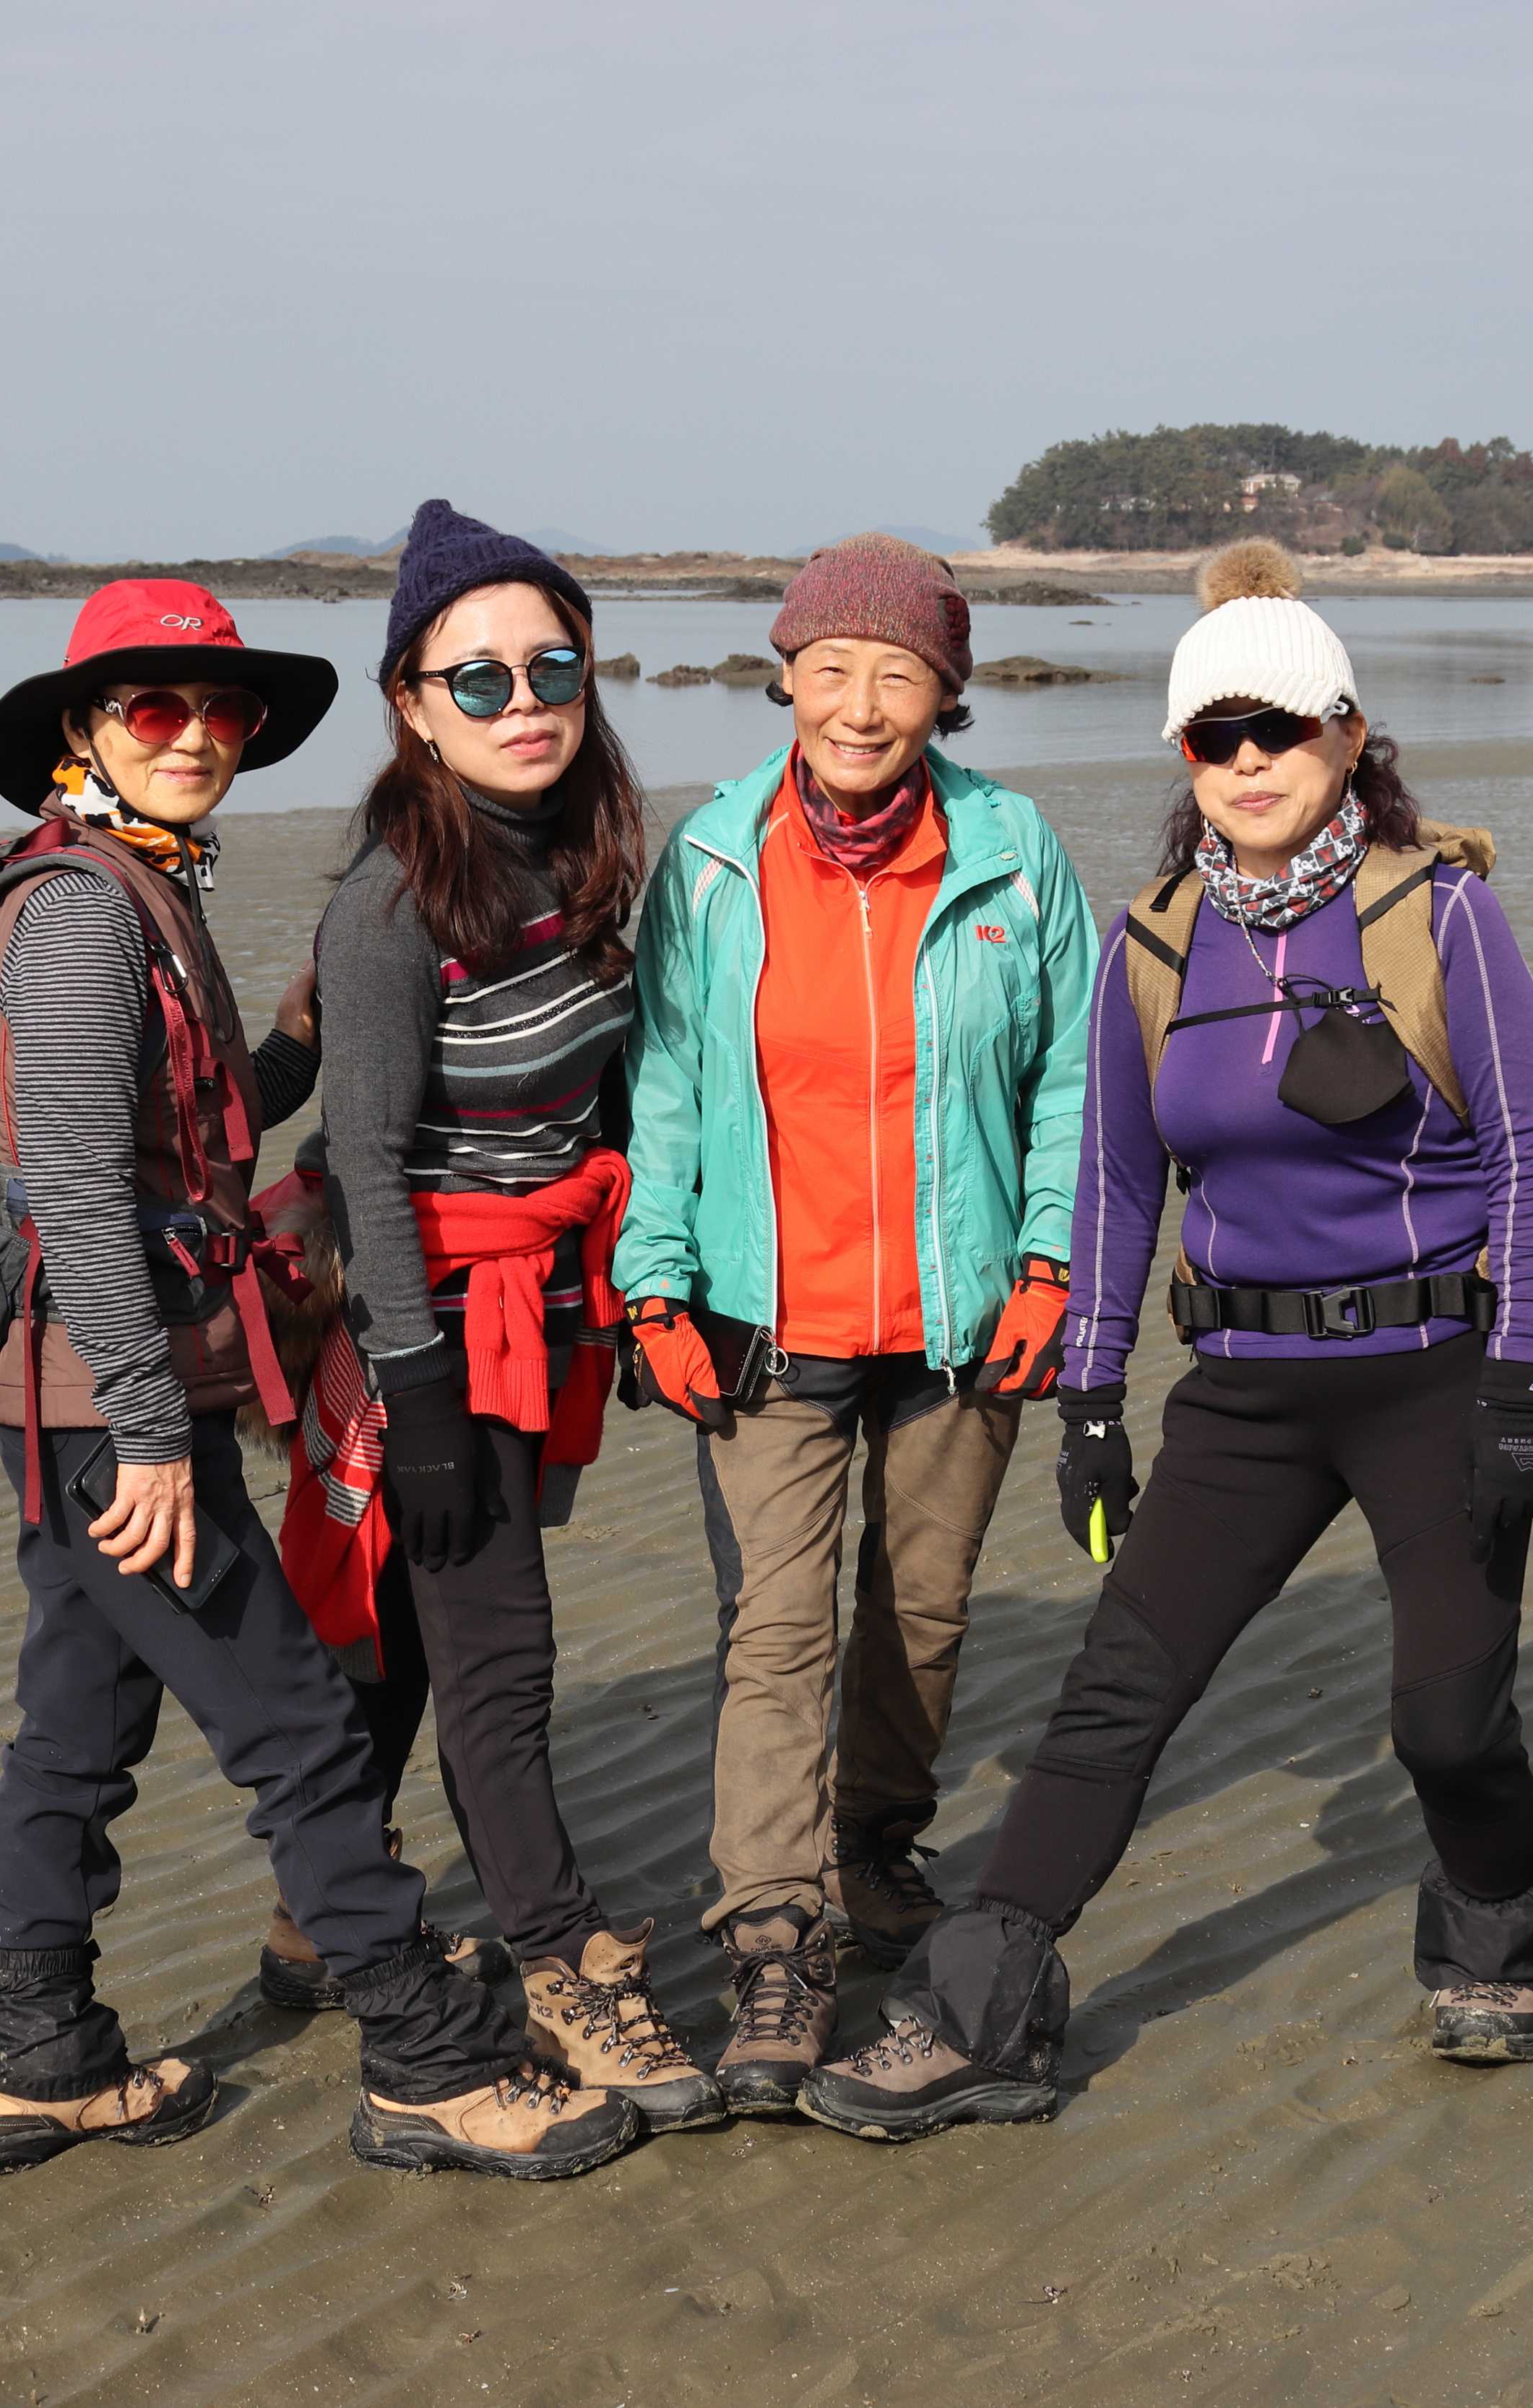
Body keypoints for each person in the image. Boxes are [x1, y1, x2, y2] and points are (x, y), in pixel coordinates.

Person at [796, 538, 1533, 2142]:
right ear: (1184, 755)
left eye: (1279, 731)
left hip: (1433, 1380)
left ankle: (1499, 1930)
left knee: (1445, 1724)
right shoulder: (1152, 942)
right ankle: (973, 2014)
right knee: (1112, 1700)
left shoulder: (1442, 913)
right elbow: (1113, 1188)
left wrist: (1521, 1385)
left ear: (1345, 737)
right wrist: (1092, 1403)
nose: (1248, 763)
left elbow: (1526, 1158)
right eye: (1216, 738)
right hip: (1244, 1399)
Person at [0, 576, 635, 2180]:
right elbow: (75, 1194)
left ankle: (35, 2054)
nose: (194, 736)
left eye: (222, 710)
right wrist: (145, 1432)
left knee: (77, 1724)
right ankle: (425, 2060)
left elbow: (187, 1130)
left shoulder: (137, 883)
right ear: (82, 729)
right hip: (108, 1403)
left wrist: (297, 1050)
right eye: (153, 707)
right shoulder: (77, 915)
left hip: (80, 1395)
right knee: (303, 1729)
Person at [616, 534, 1095, 2115]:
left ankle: (874, 1847)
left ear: (946, 693)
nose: (861, 704)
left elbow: (1072, 1082)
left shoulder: (1014, 851)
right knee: (777, 1630)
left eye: (898, 674)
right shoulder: (712, 859)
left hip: (963, 1319)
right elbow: (664, 1085)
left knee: (923, 1612)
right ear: (788, 678)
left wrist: (1049, 1265)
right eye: (831, 669)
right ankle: (774, 1938)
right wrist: (652, 1280)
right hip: (765, 1318)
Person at [293, 504, 721, 2134]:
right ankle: (557, 1957)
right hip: (431, 1323)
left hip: (543, 1311)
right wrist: (410, 1388)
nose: (524, 702)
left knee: (415, 1640)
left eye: (554, 668)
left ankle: (315, 1913)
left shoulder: (575, 856)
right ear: (411, 704)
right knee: (501, 1651)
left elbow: (600, 1097)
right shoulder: (391, 908)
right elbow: (364, 1158)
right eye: (479, 679)